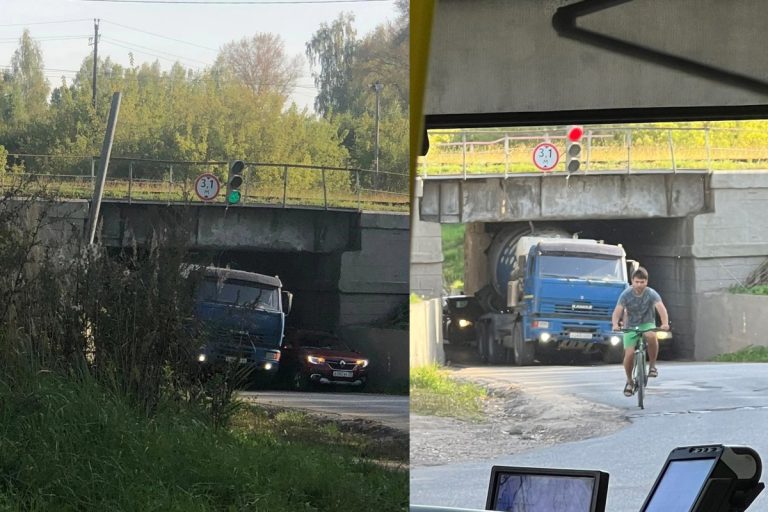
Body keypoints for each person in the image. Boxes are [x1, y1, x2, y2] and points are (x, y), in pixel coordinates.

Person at [611, 267, 670, 397]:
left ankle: (652, 366)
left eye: (642, 282)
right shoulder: (626, 294)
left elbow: (661, 308)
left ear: (646, 282)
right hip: (630, 326)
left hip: (647, 323)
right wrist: (615, 324)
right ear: (632, 281)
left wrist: (664, 323)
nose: (639, 285)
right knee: (630, 353)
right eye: (637, 282)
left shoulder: (651, 293)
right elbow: (617, 311)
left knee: (651, 335)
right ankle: (629, 381)